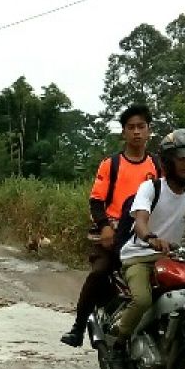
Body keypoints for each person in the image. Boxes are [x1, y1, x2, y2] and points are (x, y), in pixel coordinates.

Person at [59, 104, 161, 347]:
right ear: (123, 132)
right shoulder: (111, 164)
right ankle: (78, 327)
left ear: (149, 131)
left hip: (146, 235)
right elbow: (96, 201)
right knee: (98, 273)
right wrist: (104, 226)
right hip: (114, 235)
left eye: (141, 127)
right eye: (131, 127)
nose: (136, 132)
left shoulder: (158, 165)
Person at [112, 128, 185, 355]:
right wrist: (151, 238)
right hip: (138, 256)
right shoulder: (151, 187)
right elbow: (140, 222)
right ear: (169, 161)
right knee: (141, 300)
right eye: (181, 159)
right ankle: (119, 343)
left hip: (170, 260)